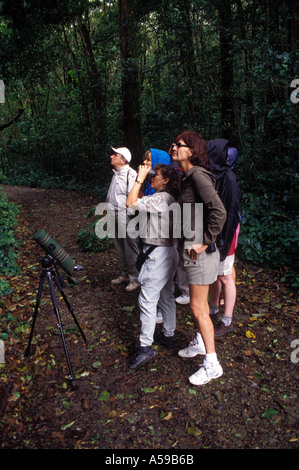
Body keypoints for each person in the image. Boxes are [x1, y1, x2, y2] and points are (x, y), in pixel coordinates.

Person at [172, 130, 227, 386]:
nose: (174, 147)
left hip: (199, 254)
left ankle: (212, 364)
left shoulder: (197, 175)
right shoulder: (187, 177)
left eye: (179, 144)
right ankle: (200, 343)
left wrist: (205, 241)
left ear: (192, 151)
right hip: (191, 250)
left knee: (197, 308)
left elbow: (219, 210)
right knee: (199, 308)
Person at [126, 163, 179, 369]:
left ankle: (145, 347)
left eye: (154, 175)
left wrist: (139, 178)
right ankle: (168, 334)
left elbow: (130, 203)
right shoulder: (170, 198)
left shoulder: (160, 198)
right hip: (168, 251)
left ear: (165, 180)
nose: (151, 178)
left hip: (157, 254)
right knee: (167, 295)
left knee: (147, 300)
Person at [207, 142, 242, 336]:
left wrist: (224, 241)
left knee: (225, 276)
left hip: (227, 232)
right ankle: (213, 309)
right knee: (216, 273)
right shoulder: (218, 176)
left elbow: (231, 212)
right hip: (220, 231)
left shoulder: (228, 178)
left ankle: (227, 320)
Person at [106, 147, 140, 292]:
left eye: (115, 155)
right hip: (113, 214)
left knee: (130, 246)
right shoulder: (116, 174)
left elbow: (132, 197)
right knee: (120, 245)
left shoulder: (131, 174)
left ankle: (135, 278)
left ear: (123, 159)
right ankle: (125, 274)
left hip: (126, 215)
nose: (112, 156)